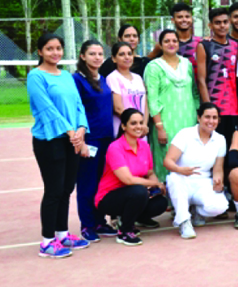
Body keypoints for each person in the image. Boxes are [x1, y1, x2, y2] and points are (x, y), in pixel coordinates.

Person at [28, 33, 91, 258]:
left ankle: (62, 235)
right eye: (49, 49)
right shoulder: (35, 76)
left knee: (66, 189)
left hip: (72, 139)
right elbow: (46, 109)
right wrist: (71, 132)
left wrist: (81, 129)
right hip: (50, 140)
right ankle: (47, 242)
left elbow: (78, 105)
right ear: (40, 52)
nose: (55, 53)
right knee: (54, 191)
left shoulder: (66, 75)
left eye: (58, 48)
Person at [95, 109, 168, 246]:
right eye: (133, 123)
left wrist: (156, 185)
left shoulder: (144, 146)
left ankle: (131, 218)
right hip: (109, 198)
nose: (138, 126)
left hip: (134, 193)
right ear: (123, 126)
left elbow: (150, 172)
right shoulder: (115, 148)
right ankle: (125, 231)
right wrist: (153, 185)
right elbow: (127, 180)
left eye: (141, 123)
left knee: (160, 203)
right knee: (138, 192)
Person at [73, 40, 117, 242]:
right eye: (92, 53)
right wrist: (80, 142)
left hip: (107, 138)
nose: (97, 57)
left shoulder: (103, 78)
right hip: (90, 140)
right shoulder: (77, 80)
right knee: (87, 183)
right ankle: (87, 224)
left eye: (100, 53)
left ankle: (100, 221)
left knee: (102, 182)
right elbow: (74, 111)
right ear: (82, 56)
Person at [163, 103, 229, 239]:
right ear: (199, 118)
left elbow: (218, 169)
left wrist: (218, 181)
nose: (211, 121)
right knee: (174, 178)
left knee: (221, 206)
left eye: (215, 118)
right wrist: (179, 169)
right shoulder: (185, 134)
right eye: (207, 117)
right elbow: (168, 161)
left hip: (203, 182)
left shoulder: (220, 140)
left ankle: (196, 211)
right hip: (182, 180)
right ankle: (184, 221)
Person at [145, 29, 200, 182]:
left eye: (174, 41)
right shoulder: (154, 67)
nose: (171, 44)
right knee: (167, 156)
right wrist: (159, 126)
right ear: (160, 45)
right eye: (167, 41)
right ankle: (167, 199)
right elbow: (152, 99)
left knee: (188, 155)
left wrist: (197, 118)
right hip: (166, 122)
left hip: (188, 120)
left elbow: (195, 93)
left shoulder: (187, 63)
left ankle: (189, 196)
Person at [196, 8, 238, 146]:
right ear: (210, 25)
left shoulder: (235, 45)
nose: (222, 26)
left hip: (234, 107)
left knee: (231, 147)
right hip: (215, 106)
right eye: (217, 23)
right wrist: (208, 107)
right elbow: (201, 79)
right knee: (214, 146)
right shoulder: (204, 45)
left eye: (225, 22)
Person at [106, 42, 149, 138]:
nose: (127, 57)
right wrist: (135, 124)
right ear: (114, 59)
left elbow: (145, 104)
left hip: (140, 131)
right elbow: (118, 108)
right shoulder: (113, 78)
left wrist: (143, 124)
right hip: (125, 130)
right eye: (122, 54)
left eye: (129, 54)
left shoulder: (138, 78)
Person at [148, 2, 202, 67]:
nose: (184, 20)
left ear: (191, 19)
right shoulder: (164, 44)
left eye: (187, 17)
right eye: (180, 17)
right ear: (173, 20)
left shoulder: (201, 42)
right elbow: (148, 60)